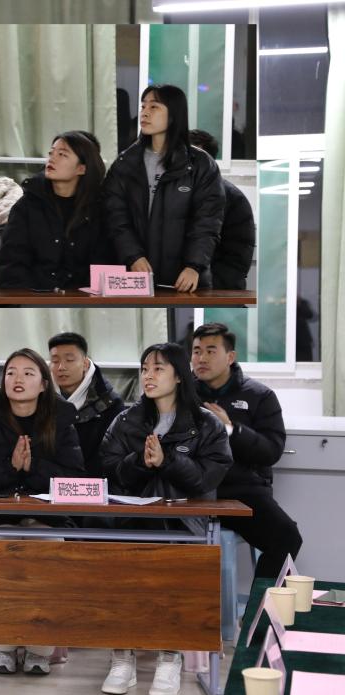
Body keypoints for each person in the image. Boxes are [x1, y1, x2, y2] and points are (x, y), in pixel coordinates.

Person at [99, 342, 233, 695]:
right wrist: (141, 462)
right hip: (131, 522)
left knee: (174, 578)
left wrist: (168, 461)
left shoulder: (205, 424)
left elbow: (208, 477)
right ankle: (122, 658)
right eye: (144, 368)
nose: (148, 375)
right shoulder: (125, 421)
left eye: (158, 368)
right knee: (119, 579)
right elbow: (109, 469)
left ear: (179, 376)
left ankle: (169, 658)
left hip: (183, 526)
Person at [0, 348, 83, 676]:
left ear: (43, 384)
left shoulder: (62, 420)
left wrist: (33, 467)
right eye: (11, 372)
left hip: (49, 518)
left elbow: (75, 478)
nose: (18, 379)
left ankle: (40, 650)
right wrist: (9, 466)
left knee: (47, 555)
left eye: (28, 373)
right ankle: (4, 647)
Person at [191, 322, 301, 577]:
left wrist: (230, 429)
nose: (202, 358)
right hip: (191, 491)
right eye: (196, 351)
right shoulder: (181, 394)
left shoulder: (260, 396)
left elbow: (271, 451)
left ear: (230, 357)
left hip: (240, 493)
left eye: (211, 351)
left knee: (287, 537)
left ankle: (261, 602)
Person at [104, 85, 225, 291]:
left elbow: (207, 222)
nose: (145, 112)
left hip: (186, 280)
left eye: (154, 107)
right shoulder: (125, 162)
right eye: (143, 106)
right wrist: (133, 256)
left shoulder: (200, 164)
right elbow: (115, 216)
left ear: (174, 114)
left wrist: (194, 266)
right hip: (135, 277)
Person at [0, 131, 111, 289]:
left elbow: (104, 265)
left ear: (82, 169)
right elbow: (12, 264)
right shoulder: (27, 206)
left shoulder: (98, 210)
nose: (52, 158)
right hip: (33, 296)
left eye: (62, 154)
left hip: (84, 298)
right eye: (51, 153)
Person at [47, 332, 125, 477]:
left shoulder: (110, 404)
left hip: (95, 483)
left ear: (85, 364)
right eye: (55, 361)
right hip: (48, 483)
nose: (61, 367)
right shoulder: (40, 399)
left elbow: (112, 458)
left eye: (69, 360)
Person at [188, 130, 256, 290]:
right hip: (184, 287)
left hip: (216, 291)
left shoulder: (230, 197)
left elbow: (236, 257)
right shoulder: (176, 193)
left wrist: (204, 283)